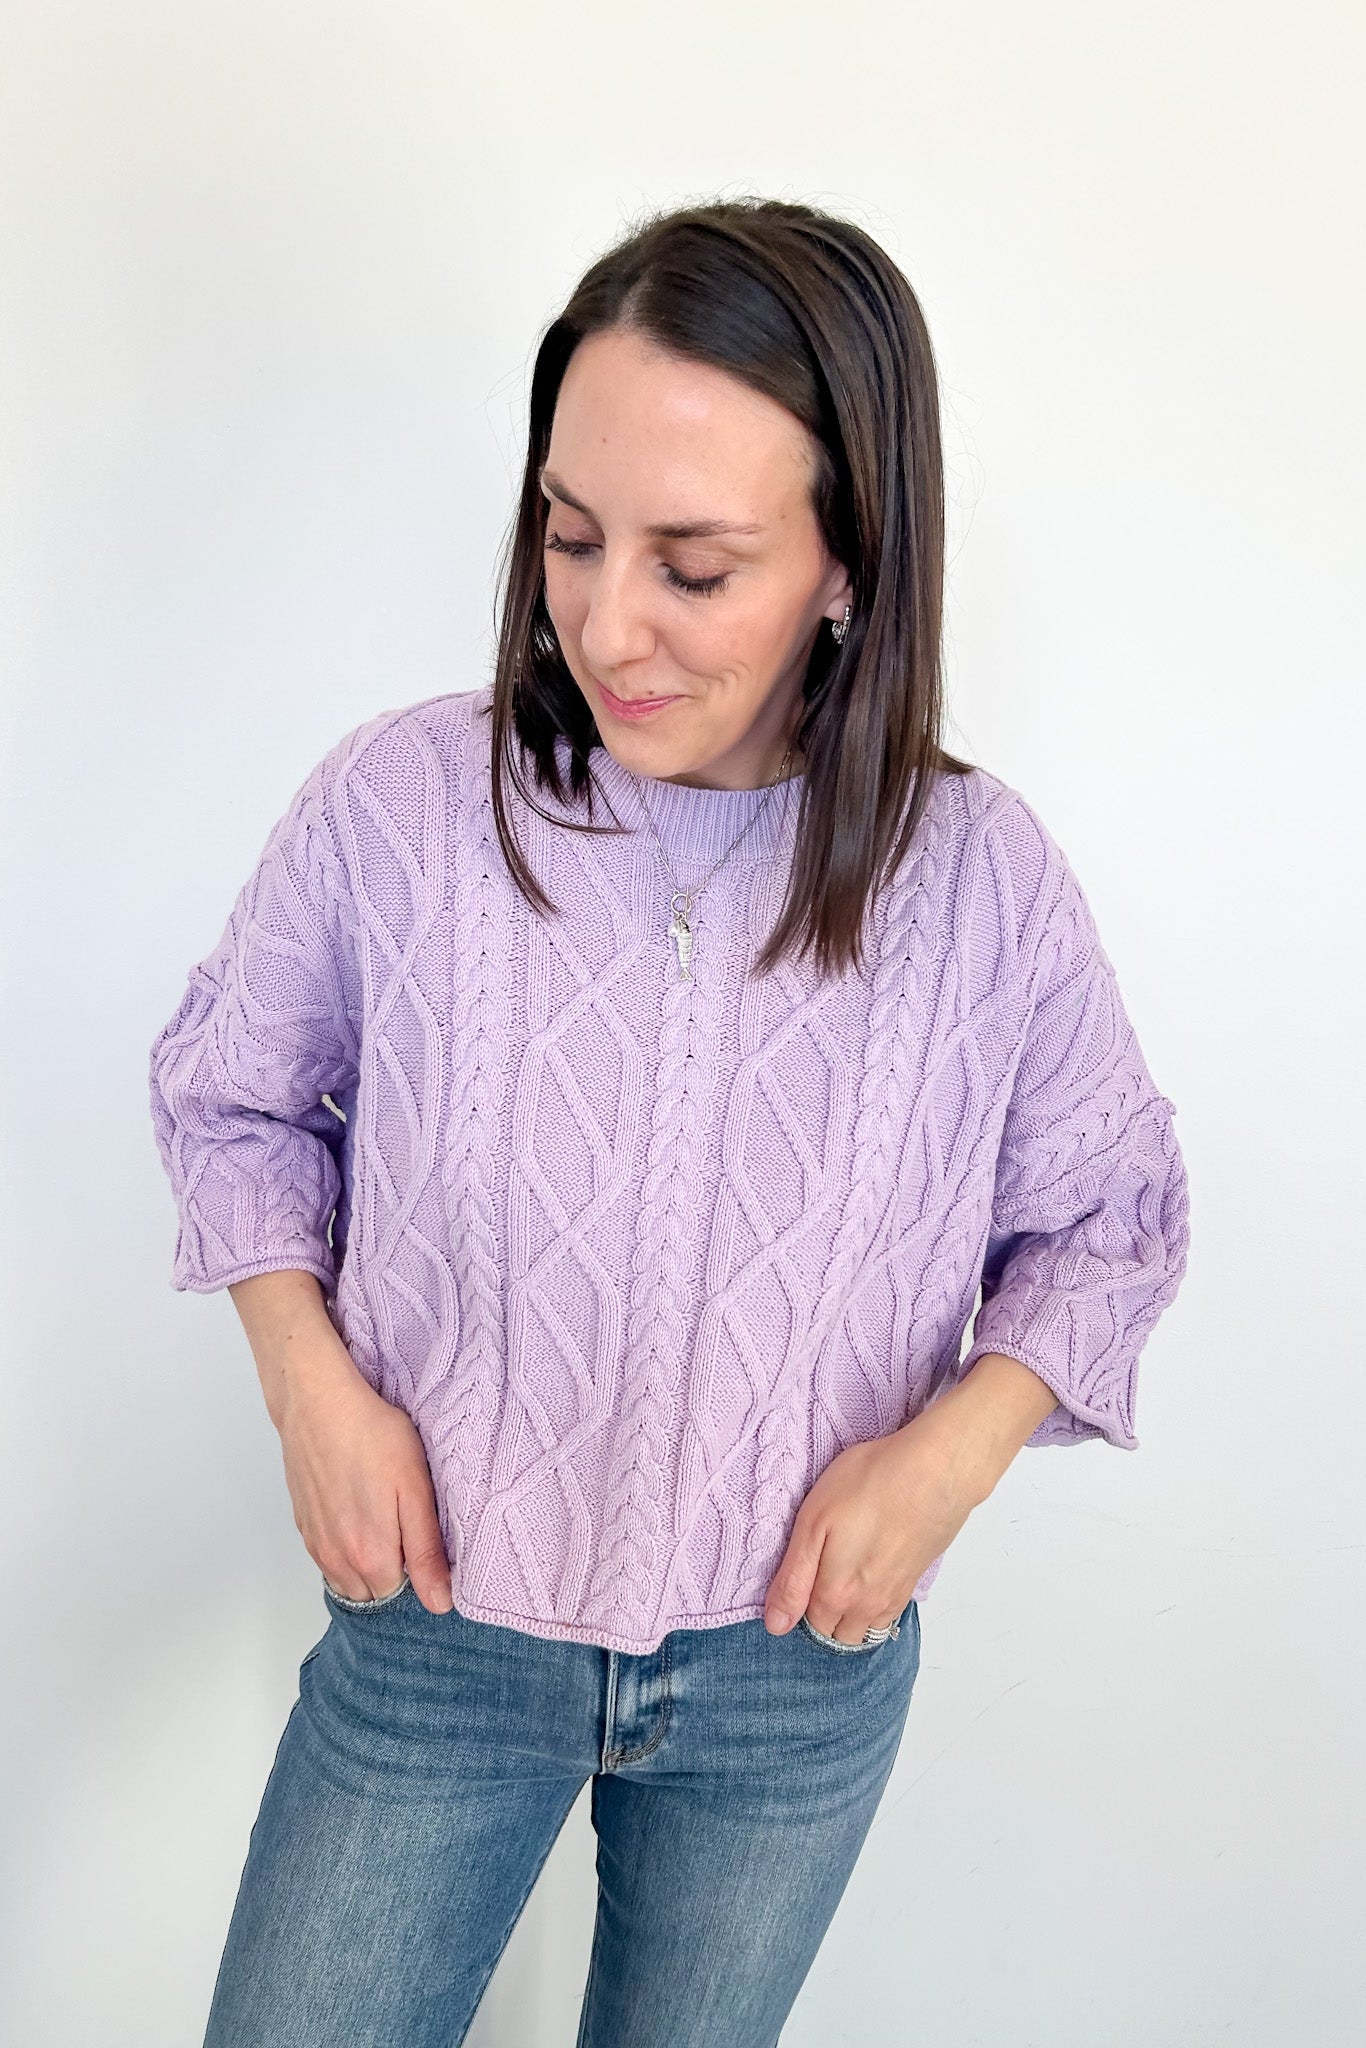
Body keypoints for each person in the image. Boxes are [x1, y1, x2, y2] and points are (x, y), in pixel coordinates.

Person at [148, 195, 1191, 2048]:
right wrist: (309, 1387)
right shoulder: (401, 809)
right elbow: (229, 1095)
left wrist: (946, 1455)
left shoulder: (982, 886)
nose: (606, 620)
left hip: (794, 1678)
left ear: (847, 563)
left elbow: (1110, 1216)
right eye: (568, 533)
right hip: (437, 1636)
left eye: (693, 567)